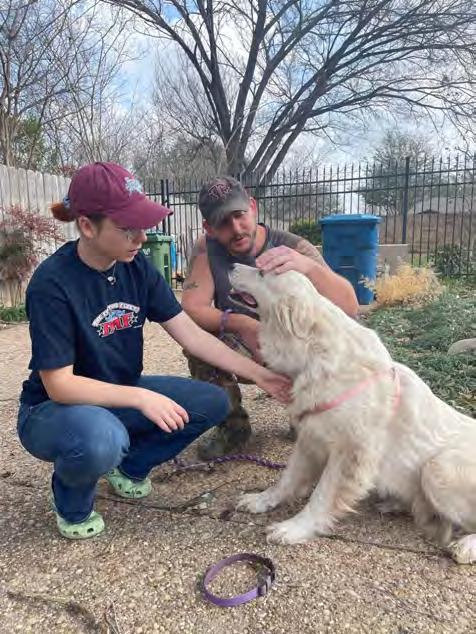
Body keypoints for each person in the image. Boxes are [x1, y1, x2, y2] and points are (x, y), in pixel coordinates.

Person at [17, 163, 291, 540]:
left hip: (117, 392)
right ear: (87, 226)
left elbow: (191, 336)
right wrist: (141, 397)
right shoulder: (52, 283)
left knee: (212, 402)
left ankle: (129, 466)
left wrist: (261, 374)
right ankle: (71, 501)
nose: (142, 237)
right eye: (128, 227)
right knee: (102, 439)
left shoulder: (136, 267)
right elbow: (60, 385)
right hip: (52, 410)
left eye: (143, 225)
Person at [182, 176, 359, 459]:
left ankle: (310, 413)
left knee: (334, 339)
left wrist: (308, 268)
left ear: (253, 207)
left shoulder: (291, 247)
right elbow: (193, 307)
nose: (236, 229)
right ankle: (233, 427)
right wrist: (242, 324)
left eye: (239, 215)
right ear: (209, 228)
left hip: (296, 351)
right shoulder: (207, 248)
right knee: (197, 343)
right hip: (247, 347)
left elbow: (349, 306)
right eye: (223, 223)